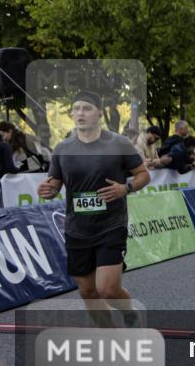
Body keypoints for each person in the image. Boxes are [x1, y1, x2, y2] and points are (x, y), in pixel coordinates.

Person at [37, 91, 150, 328]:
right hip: (77, 229)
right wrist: (49, 189)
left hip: (111, 224)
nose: (80, 113)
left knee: (108, 290)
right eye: (76, 108)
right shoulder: (62, 148)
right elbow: (55, 184)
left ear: (99, 112)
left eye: (86, 108)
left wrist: (125, 188)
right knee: (88, 292)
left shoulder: (119, 143)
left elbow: (143, 175)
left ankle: (129, 313)